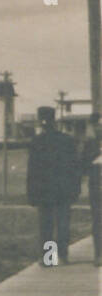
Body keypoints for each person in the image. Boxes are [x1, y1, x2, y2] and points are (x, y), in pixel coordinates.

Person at [25, 106, 80, 265]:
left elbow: (32, 170)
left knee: (46, 225)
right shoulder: (67, 140)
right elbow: (74, 167)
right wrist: (75, 188)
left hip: (44, 190)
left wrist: (31, 193)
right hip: (63, 189)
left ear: (41, 122)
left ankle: (49, 258)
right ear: (54, 120)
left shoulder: (36, 142)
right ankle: (63, 255)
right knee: (63, 223)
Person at [82, 113, 102, 267]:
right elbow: (83, 165)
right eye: (97, 125)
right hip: (97, 186)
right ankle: (99, 254)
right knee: (98, 220)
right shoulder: (89, 145)